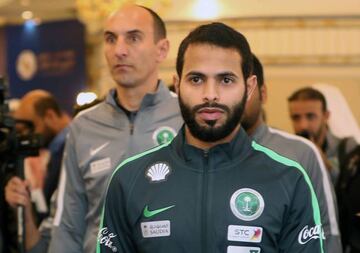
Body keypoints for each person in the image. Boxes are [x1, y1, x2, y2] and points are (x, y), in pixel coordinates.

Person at [97, 22, 324, 253]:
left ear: (249, 87)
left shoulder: (288, 179)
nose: (210, 95)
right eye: (196, 79)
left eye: (226, 80)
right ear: (177, 85)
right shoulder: (129, 179)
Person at [49, 4, 182, 253]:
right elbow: (68, 222)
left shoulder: (187, 119)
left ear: (161, 49)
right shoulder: (84, 125)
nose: (119, 50)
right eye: (111, 39)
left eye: (133, 38)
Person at [241, 54, 342, 253]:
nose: (303, 125)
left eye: (245, 88)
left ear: (263, 93)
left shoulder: (301, 153)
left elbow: (326, 232)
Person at [4, 90, 70, 252]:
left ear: (49, 116)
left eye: (29, 127)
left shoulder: (71, 150)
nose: (26, 137)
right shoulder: (55, 153)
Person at [288, 87, 358, 185]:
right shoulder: (288, 151)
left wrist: (320, 158)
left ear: (326, 116)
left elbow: (350, 188)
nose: (303, 125)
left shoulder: (348, 147)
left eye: (310, 116)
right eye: (296, 118)